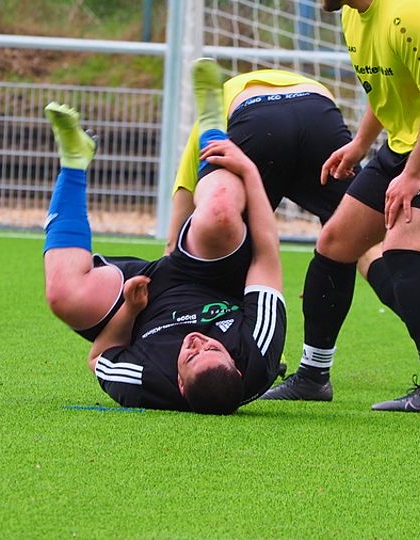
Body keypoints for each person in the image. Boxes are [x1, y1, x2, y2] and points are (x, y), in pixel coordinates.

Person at [168, 66, 420, 401]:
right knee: (356, 244)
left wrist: (174, 249)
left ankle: (261, 355)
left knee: (231, 248)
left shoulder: (213, 110)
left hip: (258, 124)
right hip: (319, 113)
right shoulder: (300, 84)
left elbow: (188, 194)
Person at [265, 0, 420, 413]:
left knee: (402, 251)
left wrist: (412, 175)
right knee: (335, 243)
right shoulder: (351, 13)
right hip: (405, 143)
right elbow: (386, 88)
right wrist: (360, 144)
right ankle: (313, 376)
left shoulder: (411, 12)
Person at [40, 59, 286, 414]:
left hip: (142, 304)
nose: (198, 342)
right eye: (213, 348)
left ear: (179, 385)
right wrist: (248, 170)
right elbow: (266, 256)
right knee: (218, 212)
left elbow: (99, 357)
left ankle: (74, 161)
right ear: (237, 366)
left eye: (191, 356)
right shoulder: (257, 352)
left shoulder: (147, 383)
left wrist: (130, 309)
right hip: (214, 277)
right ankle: (213, 126)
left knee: (63, 295)